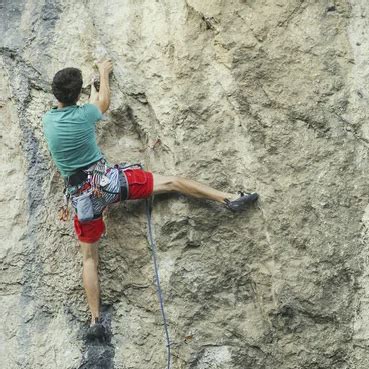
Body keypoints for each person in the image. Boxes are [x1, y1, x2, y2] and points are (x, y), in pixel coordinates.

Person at [42, 60, 258, 340]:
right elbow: (102, 102)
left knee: (88, 260)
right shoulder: (85, 115)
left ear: (56, 95)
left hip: (83, 199)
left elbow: (90, 106)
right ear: (76, 96)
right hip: (109, 184)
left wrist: (92, 90)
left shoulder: (49, 120)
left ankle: (95, 321)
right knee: (172, 182)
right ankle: (228, 198)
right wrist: (104, 75)